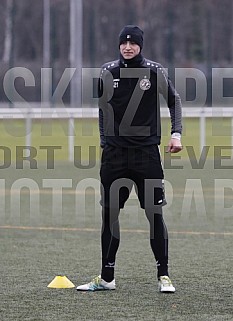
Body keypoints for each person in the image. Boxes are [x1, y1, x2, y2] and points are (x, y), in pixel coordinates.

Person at [76, 25, 182, 293]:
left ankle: (164, 276)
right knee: (109, 216)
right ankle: (107, 277)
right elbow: (102, 110)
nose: (127, 46)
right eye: (124, 42)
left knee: (154, 214)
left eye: (133, 43)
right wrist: (104, 140)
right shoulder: (107, 71)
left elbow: (174, 100)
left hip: (146, 155)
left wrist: (176, 134)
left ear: (140, 46)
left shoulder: (154, 71)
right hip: (114, 157)